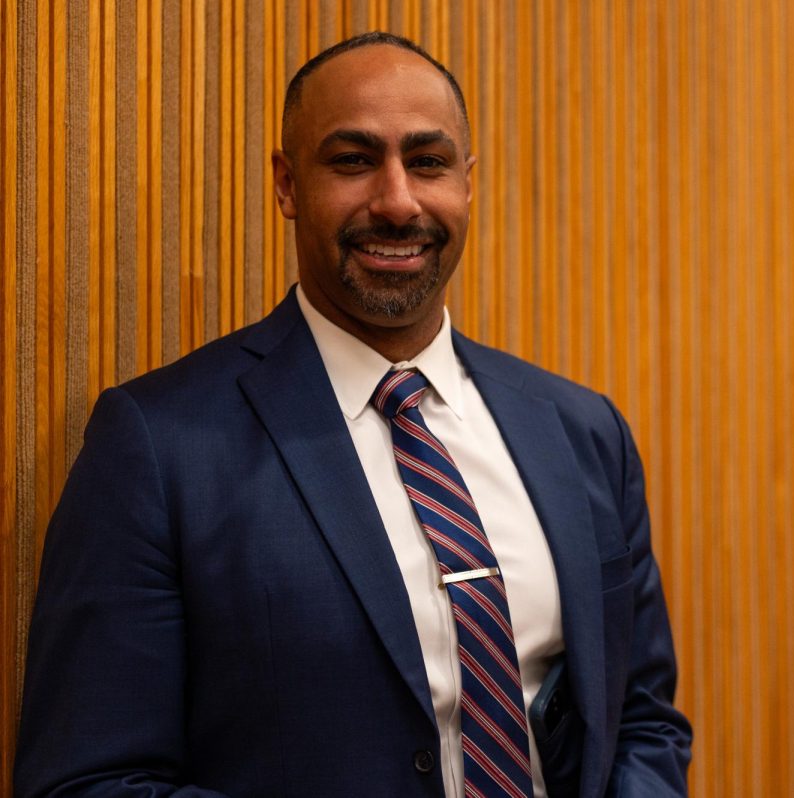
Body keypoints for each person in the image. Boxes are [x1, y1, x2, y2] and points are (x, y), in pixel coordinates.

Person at [14, 32, 691, 798]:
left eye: (428, 162)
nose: (397, 201)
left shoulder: (582, 432)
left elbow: (640, 721)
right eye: (353, 160)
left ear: (467, 185)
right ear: (286, 185)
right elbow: (88, 781)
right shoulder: (158, 447)